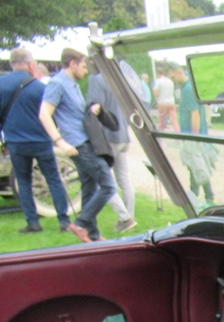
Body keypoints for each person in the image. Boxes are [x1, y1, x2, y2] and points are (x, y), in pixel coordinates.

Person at [40, 48, 117, 243]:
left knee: (89, 189)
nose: (86, 70)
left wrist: (92, 109)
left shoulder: (72, 85)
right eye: (83, 65)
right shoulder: (57, 83)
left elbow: (74, 114)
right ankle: (80, 224)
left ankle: (92, 235)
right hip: (78, 144)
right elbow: (44, 114)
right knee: (108, 186)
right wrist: (60, 141)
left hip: (84, 141)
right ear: (73, 63)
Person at [0, 48, 73, 234]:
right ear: (30, 64)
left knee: (23, 181)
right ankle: (64, 221)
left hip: (16, 142)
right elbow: (50, 114)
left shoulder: (1, 84)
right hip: (41, 141)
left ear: (12, 63)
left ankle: (32, 222)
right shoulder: (40, 87)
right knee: (53, 179)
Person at [87, 69, 137, 233]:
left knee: (103, 180)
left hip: (108, 135)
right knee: (124, 178)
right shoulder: (120, 78)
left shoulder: (96, 79)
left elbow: (95, 107)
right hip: (124, 134)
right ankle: (129, 216)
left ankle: (125, 218)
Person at [168, 64, 217, 207]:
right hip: (190, 135)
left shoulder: (189, 89)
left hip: (193, 137)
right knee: (196, 166)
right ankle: (204, 197)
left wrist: (194, 138)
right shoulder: (186, 88)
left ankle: (200, 198)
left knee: (197, 166)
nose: (172, 80)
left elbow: (195, 114)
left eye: (173, 77)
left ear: (179, 72)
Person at [153, 68, 178, 132]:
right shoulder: (170, 81)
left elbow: (155, 93)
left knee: (161, 120)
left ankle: (161, 132)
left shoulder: (158, 81)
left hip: (162, 102)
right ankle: (178, 132)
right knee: (174, 120)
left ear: (158, 74)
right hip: (171, 102)